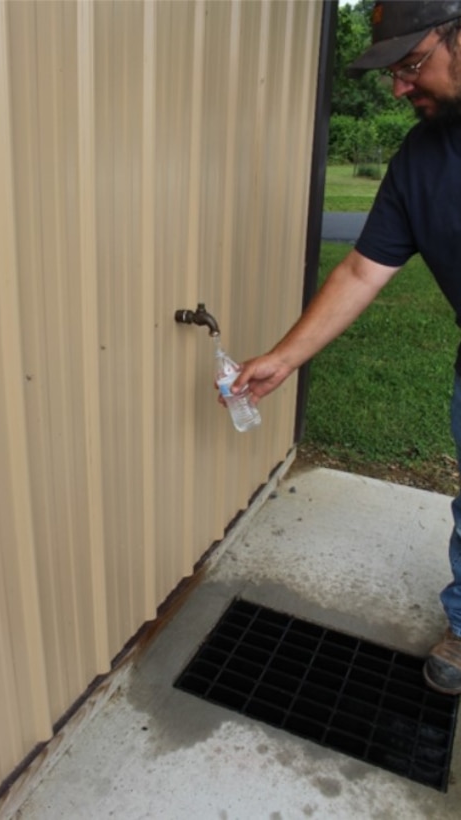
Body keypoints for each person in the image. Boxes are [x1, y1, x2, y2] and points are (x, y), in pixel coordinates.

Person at [231, 0, 461, 696]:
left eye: (411, 64)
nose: (398, 87)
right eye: (393, 70)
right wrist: (285, 356)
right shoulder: (421, 157)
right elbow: (364, 268)